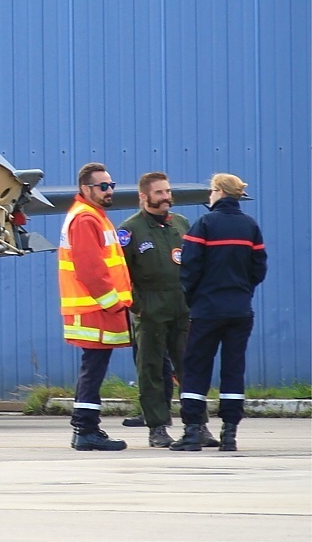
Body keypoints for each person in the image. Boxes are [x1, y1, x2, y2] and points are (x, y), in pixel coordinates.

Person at [117, 173, 216, 448]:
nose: (166, 197)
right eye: (159, 193)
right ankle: (157, 427)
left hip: (182, 306)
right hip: (150, 308)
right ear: (144, 197)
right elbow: (120, 272)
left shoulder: (181, 225)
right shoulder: (130, 230)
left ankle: (197, 425)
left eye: (168, 191)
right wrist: (138, 305)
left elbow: (197, 263)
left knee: (190, 366)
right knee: (150, 369)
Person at [170, 173, 267, 452]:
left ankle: (191, 433)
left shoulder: (204, 224)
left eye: (211, 190)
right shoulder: (250, 226)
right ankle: (229, 434)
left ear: (219, 192)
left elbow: (189, 267)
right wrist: (242, 292)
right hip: (239, 310)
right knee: (233, 368)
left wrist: (194, 298)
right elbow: (259, 267)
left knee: (196, 366)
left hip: (207, 309)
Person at [59, 162, 133, 451]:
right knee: (93, 369)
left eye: (111, 185)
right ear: (85, 189)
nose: (109, 190)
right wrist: (114, 304)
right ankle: (85, 429)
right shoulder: (87, 219)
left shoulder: (93, 216)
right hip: (96, 309)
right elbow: (91, 270)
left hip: (96, 308)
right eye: (103, 186)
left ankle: (86, 428)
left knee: (93, 368)